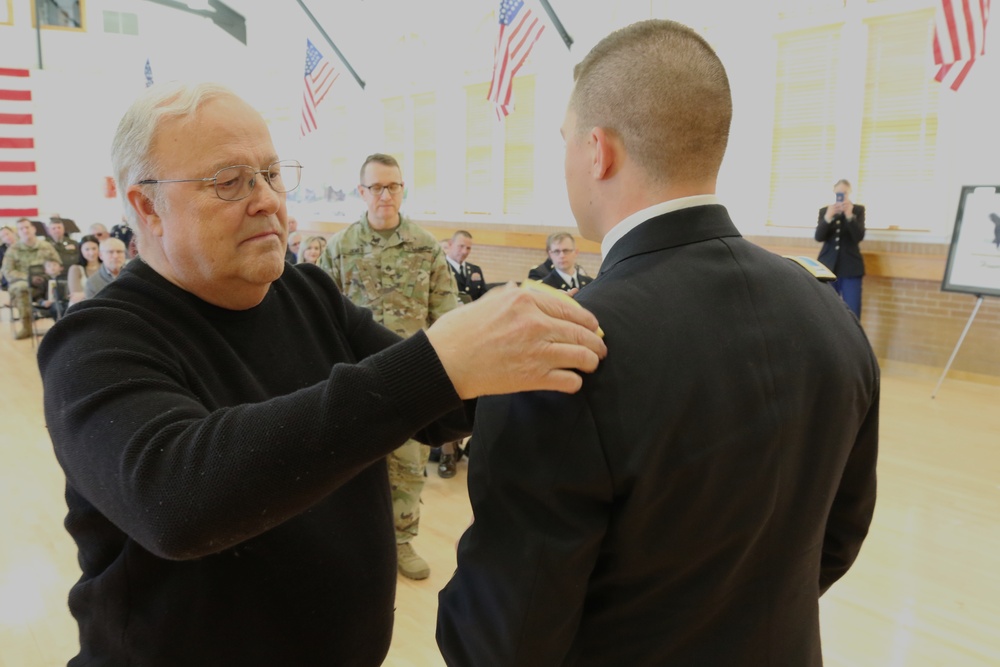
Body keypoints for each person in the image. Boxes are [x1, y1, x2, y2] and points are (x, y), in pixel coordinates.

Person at [37, 81, 605, 667]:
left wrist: (552, 346)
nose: (266, 200)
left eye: (272, 174)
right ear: (147, 207)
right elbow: (176, 502)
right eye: (230, 181)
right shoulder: (94, 341)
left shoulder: (305, 293)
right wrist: (439, 360)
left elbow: (442, 408)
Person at [437, 19, 879, 667]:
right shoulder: (828, 313)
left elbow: (503, 641)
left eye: (563, 141)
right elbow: (838, 537)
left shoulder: (560, 354)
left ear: (598, 151)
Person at [320, 152, 459, 581]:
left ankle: (401, 542)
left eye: (393, 186)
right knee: (351, 469)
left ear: (402, 190)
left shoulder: (424, 246)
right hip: (355, 381)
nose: (385, 194)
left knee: (408, 465)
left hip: (411, 379)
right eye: (376, 186)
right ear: (362, 192)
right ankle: (354, 548)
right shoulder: (340, 248)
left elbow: (446, 315)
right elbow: (322, 319)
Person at [1, 217, 60, 339]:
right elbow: (8, 271)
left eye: (27, 227)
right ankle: (26, 327)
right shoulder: (13, 250)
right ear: (18, 232)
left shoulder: (46, 246)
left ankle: (60, 326)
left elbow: (57, 264)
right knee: (22, 289)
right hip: (22, 284)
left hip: (45, 283)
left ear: (33, 229)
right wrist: (28, 278)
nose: (25, 230)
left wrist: (47, 274)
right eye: (21, 228)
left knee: (61, 285)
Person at [815, 179, 866, 319]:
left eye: (844, 193)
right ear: (834, 193)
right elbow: (819, 237)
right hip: (828, 267)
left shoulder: (857, 210)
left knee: (853, 310)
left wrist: (850, 216)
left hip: (851, 268)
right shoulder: (825, 211)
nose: (841, 196)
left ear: (849, 193)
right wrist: (828, 217)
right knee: (827, 309)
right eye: (838, 193)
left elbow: (858, 237)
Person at [445, 230, 487, 302]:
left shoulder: (475, 270)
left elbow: (483, 298)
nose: (464, 251)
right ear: (450, 244)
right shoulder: (440, 269)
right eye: (461, 246)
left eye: (468, 248)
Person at [67, 235, 102, 305]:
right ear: (81, 250)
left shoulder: (107, 267)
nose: (91, 253)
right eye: (87, 249)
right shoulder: (75, 269)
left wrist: (84, 294)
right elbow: (76, 297)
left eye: (94, 248)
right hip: (81, 308)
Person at [0, 225, 16, 289]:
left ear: (13, 233)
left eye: (7, 234)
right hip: (7, 281)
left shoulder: (23, 245)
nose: (7, 237)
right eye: (3, 236)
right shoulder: (1, 250)